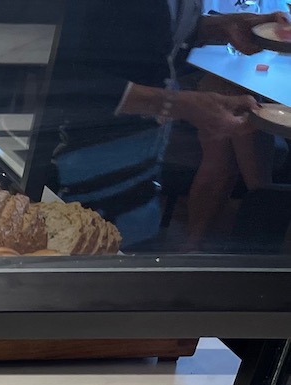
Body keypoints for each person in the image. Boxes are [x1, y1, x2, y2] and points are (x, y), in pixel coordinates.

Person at [50, 2, 290, 247]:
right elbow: (58, 74)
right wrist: (180, 105)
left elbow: (142, 30)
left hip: (141, 170)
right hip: (74, 169)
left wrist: (222, 27)